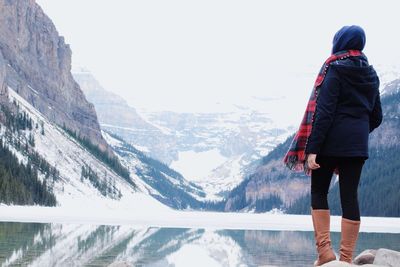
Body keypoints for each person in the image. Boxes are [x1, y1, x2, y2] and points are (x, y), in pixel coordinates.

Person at [284, 25, 382, 266]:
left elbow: (324, 112)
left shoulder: (334, 69)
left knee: (319, 192)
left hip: (328, 144)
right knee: (350, 196)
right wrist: (358, 131)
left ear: (339, 42)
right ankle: (347, 258)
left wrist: (312, 149)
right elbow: (376, 116)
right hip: (357, 146)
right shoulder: (371, 74)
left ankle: (325, 253)